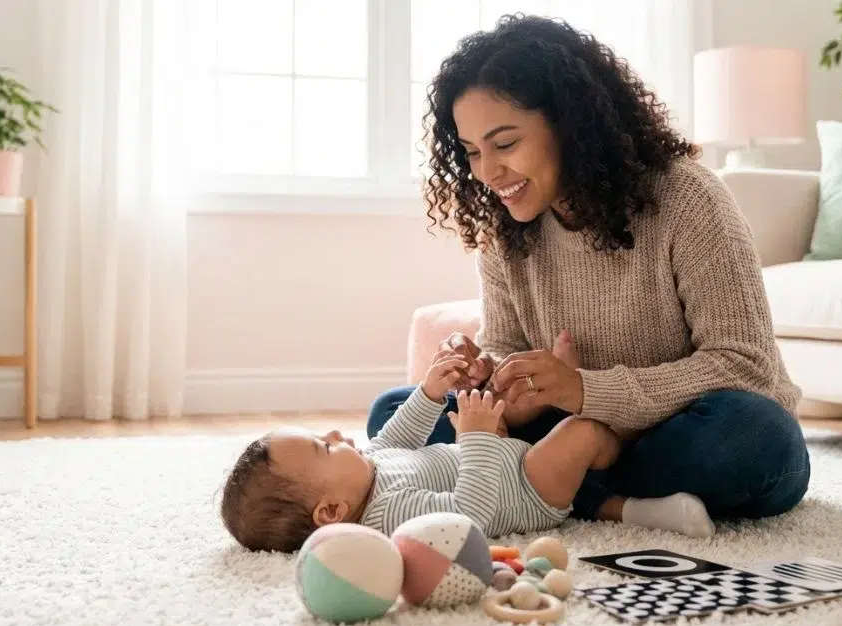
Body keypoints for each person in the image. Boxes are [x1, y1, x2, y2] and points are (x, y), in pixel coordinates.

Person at [367, 14, 810, 536]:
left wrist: (584, 390)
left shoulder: (689, 199)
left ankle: (552, 489)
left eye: (504, 144)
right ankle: (603, 497)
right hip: (571, 434)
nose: (487, 172)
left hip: (678, 432)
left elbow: (744, 367)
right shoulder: (506, 228)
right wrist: (491, 381)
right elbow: (508, 347)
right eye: (472, 153)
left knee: (755, 436)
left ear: (570, 125)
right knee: (394, 412)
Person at [220, 348, 700, 554]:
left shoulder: (368, 468)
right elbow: (471, 518)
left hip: (506, 460)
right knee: (584, 431)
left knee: (394, 407)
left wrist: (430, 392)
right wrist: (476, 437)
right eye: (324, 449)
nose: (334, 435)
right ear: (332, 511)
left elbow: (397, 434)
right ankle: (623, 465)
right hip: (527, 489)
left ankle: (609, 503)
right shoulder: (389, 514)